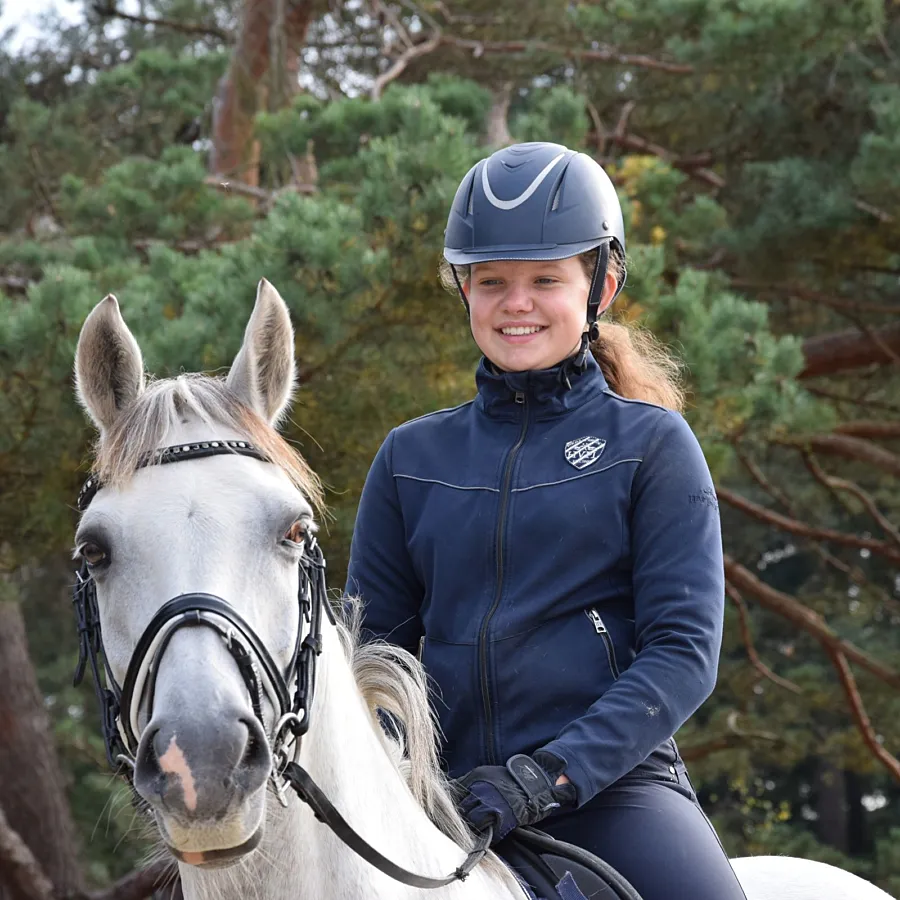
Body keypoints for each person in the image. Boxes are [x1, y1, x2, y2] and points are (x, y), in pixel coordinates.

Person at [344, 141, 746, 900]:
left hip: (612, 793)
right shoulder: (408, 458)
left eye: (545, 280)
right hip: (441, 801)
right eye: (491, 281)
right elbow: (373, 659)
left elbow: (684, 652)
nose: (516, 302)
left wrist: (545, 777)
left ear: (603, 285)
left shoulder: (653, 446)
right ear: (464, 290)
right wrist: (396, 774)